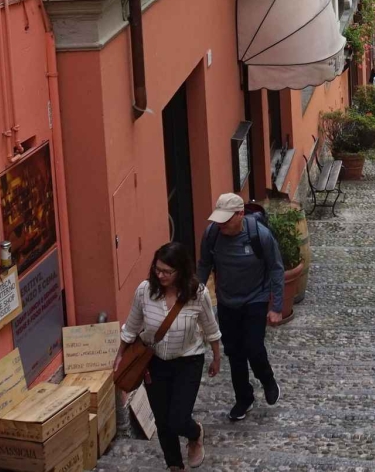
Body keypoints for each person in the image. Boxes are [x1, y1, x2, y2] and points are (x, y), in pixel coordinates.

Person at [120, 242, 222, 470]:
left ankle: (195, 433)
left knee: (178, 418)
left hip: (188, 360)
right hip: (154, 363)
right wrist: (120, 356)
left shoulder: (198, 294)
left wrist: (217, 357)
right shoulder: (145, 291)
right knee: (163, 421)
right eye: (157, 269)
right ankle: (174, 465)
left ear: (181, 270)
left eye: (167, 271)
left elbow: (210, 328)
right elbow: (131, 326)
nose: (161, 275)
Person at [197, 194, 284, 422]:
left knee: (253, 347)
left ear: (240, 215)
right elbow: (205, 264)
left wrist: (275, 307)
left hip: (256, 298)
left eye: (226, 219)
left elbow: (276, 269)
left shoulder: (259, 236)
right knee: (234, 353)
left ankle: (267, 379)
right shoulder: (212, 234)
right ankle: (243, 398)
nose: (221, 224)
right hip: (227, 301)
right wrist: (195, 295)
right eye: (219, 219)